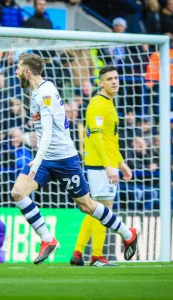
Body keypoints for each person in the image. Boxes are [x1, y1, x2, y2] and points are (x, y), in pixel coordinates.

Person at [11, 53, 139, 265]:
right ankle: (47, 239)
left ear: (27, 71)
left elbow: (49, 131)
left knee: (87, 206)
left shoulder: (46, 92)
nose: (15, 72)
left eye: (18, 68)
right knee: (18, 192)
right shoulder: (35, 93)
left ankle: (128, 234)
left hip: (64, 158)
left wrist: (37, 158)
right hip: (45, 158)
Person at [70, 66, 133, 267]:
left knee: (95, 209)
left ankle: (78, 253)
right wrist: (108, 166)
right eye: (109, 79)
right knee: (104, 209)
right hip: (99, 165)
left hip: (105, 163)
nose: (114, 81)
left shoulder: (108, 103)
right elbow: (96, 138)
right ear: (101, 82)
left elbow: (110, 140)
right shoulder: (98, 104)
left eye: (116, 78)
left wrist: (121, 163)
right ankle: (97, 256)